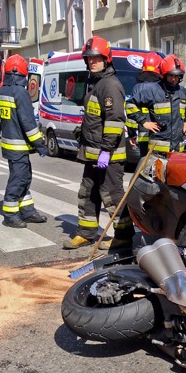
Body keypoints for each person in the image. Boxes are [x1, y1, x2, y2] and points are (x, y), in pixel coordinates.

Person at [63, 35, 132, 250]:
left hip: (108, 155)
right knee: (88, 194)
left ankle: (123, 237)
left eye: (96, 58)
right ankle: (85, 232)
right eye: (89, 58)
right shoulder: (95, 83)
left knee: (112, 196)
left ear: (106, 59)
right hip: (92, 153)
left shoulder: (110, 85)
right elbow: (95, 118)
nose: (92, 61)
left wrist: (106, 151)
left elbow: (114, 121)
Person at [0, 54, 48, 228]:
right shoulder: (21, 92)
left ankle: (27, 210)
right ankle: (10, 214)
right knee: (19, 179)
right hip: (19, 145)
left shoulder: (2, 91)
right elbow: (27, 122)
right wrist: (40, 144)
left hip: (9, 143)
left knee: (23, 178)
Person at [128, 54, 186, 155]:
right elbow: (130, 104)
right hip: (156, 151)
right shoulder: (152, 91)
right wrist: (144, 122)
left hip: (178, 150)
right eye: (170, 75)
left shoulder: (184, 93)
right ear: (163, 75)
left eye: (176, 76)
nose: (174, 79)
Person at [125, 51, 163, 157]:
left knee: (145, 166)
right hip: (161, 136)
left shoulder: (137, 88)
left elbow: (131, 115)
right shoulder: (163, 87)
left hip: (143, 136)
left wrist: (132, 134)